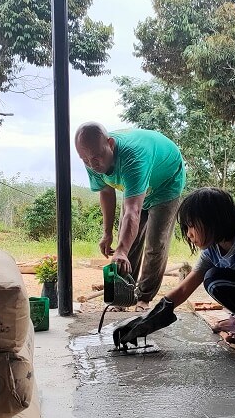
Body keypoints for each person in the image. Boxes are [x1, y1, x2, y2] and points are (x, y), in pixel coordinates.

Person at [113, 187, 235, 365]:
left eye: (191, 226)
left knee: (216, 280)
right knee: (213, 280)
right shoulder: (212, 248)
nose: (188, 234)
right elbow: (184, 289)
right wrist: (147, 320)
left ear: (213, 220)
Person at [75, 122, 186, 311]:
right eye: (85, 160)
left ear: (110, 144)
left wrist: (121, 251)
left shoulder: (132, 157)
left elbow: (132, 211)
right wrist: (107, 233)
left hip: (166, 183)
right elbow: (106, 192)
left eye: (96, 158)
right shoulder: (90, 157)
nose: (92, 164)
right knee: (126, 243)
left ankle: (144, 297)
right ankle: (125, 297)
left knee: (155, 244)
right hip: (138, 186)